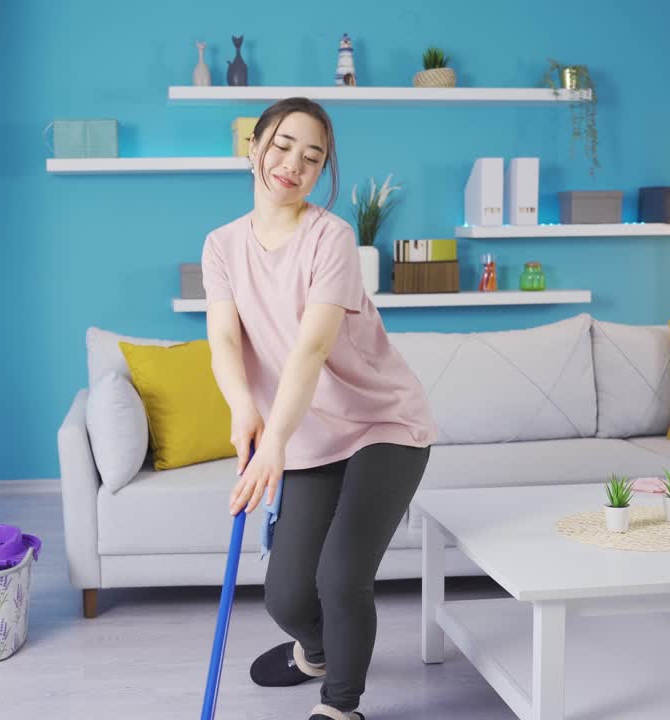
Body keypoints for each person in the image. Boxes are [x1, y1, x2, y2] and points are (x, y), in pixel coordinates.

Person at [200, 97, 437, 720]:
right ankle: (317, 653)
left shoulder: (329, 236)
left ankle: (340, 706)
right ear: (253, 148)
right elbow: (224, 338)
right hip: (306, 432)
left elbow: (311, 347)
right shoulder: (221, 246)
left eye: (313, 157)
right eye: (281, 146)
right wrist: (241, 410)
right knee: (286, 596)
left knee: (340, 578)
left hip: (383, 424)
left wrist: (273, 439)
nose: (292, 165)